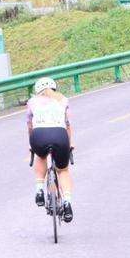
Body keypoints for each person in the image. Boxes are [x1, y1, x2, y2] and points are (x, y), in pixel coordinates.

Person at [26, 77, 74, 223]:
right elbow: (67, 125)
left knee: (40, 156)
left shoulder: (32, 102)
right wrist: (69, 144)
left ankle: (39, 189)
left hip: (38, 135)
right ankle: (67, 203)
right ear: (54, 88)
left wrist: (32, 144)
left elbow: (30, 125)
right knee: (63, 170)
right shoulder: (63, 99)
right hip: (60, 134)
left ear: (37, 91)